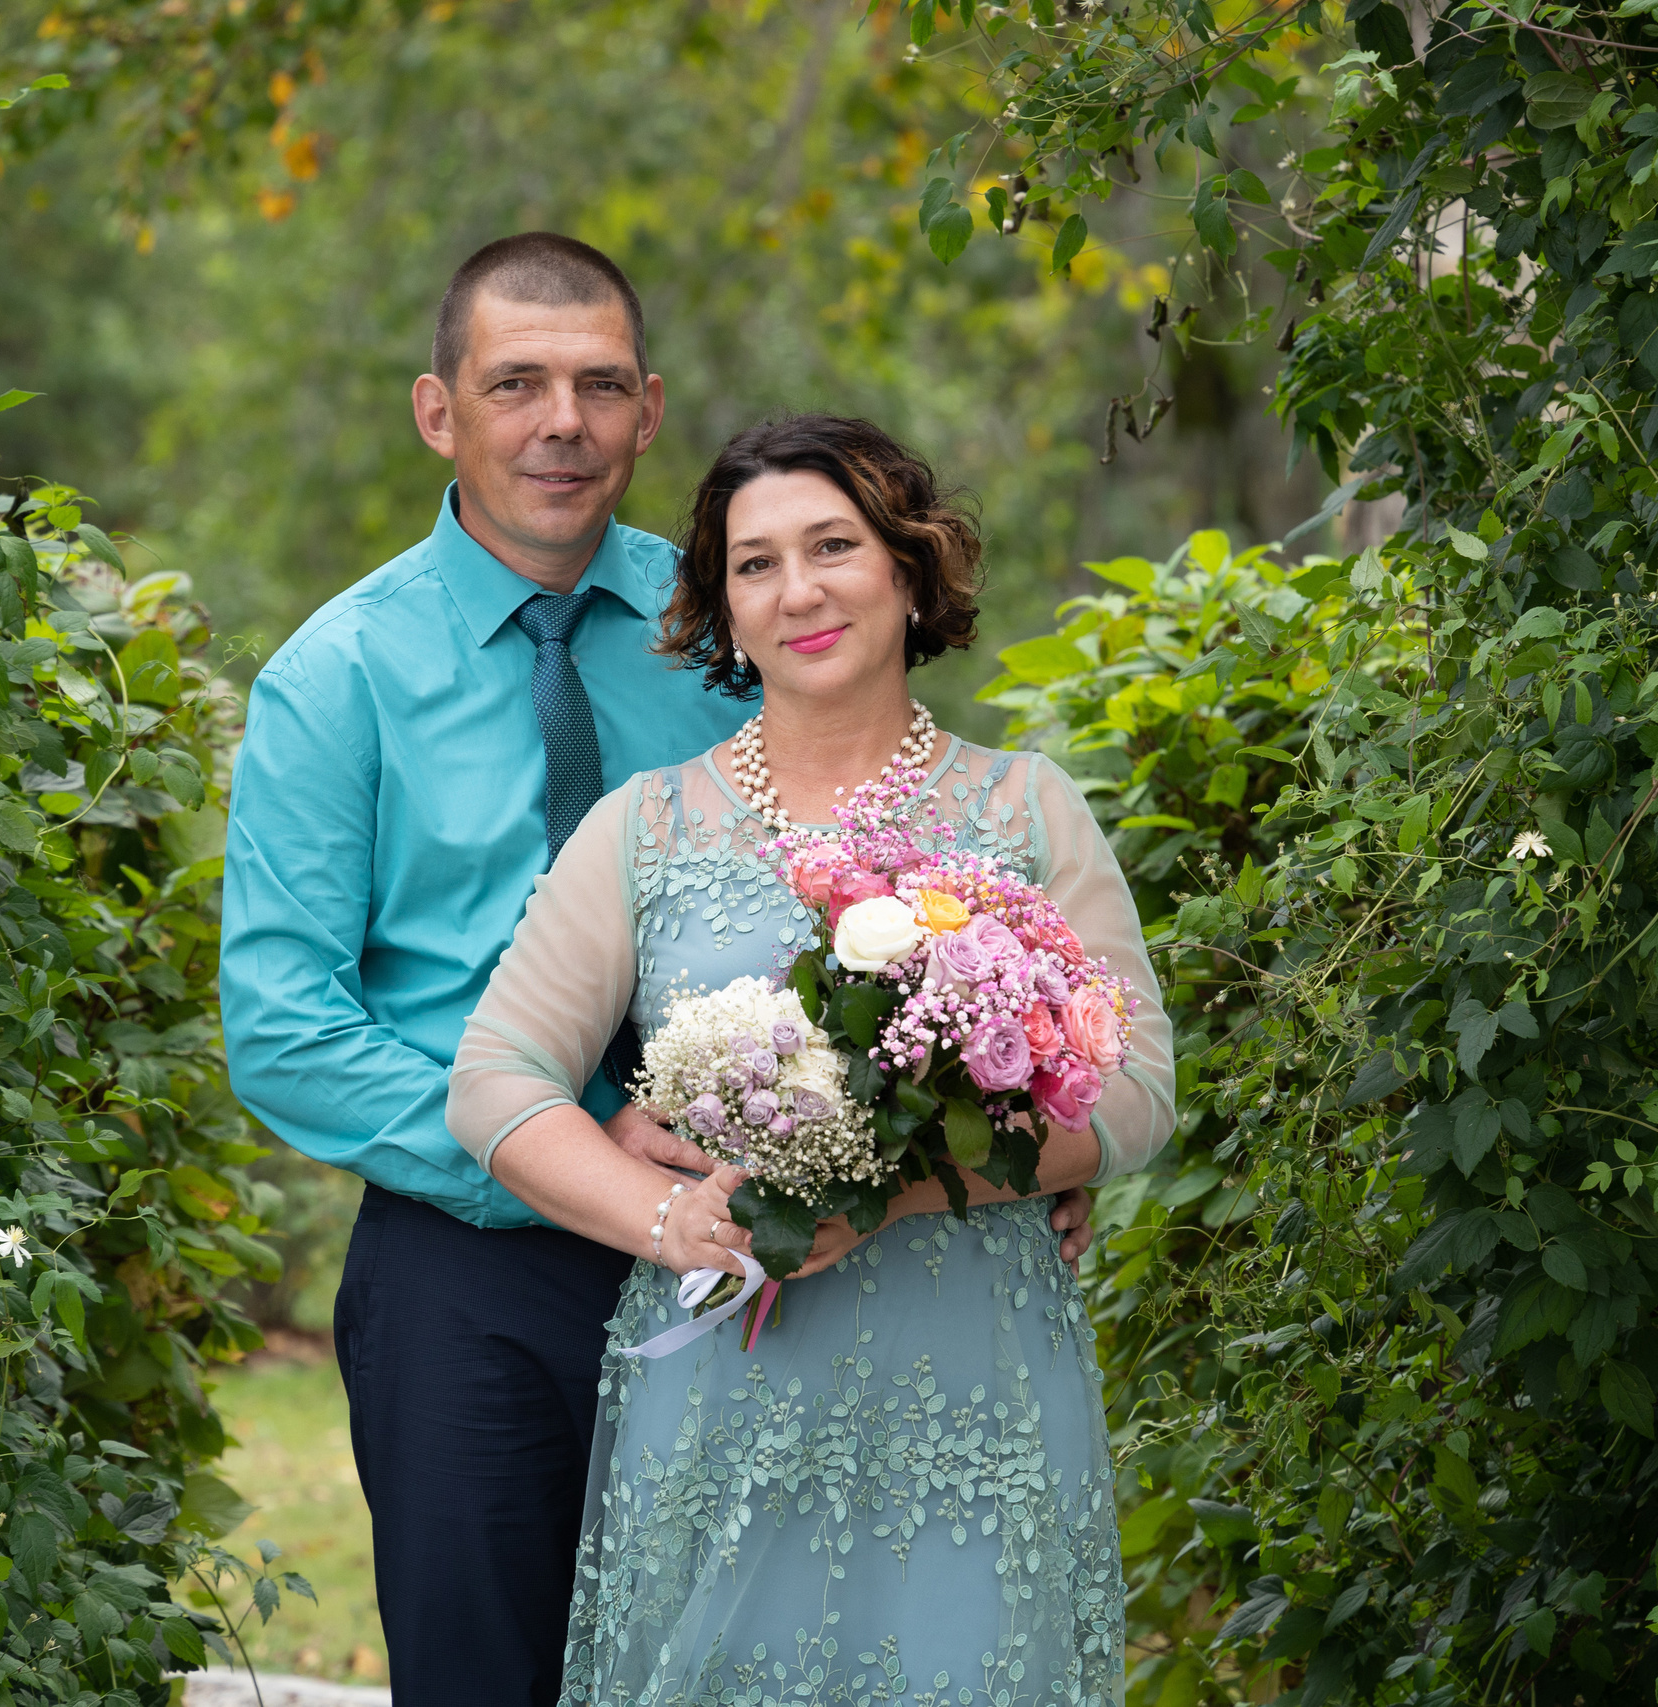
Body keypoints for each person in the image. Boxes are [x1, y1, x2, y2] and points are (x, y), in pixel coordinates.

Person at [220, 239, 1099, 1707]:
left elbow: (888, 856)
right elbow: (287, 1033)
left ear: (650, 410)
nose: (562, 422)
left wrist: (989, 1118)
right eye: (516, 384)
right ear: (439, 412)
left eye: (601, 386)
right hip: (473, 1270)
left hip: (783, 1256)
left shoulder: (735, 621)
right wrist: (578, 1158)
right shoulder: (337, 676)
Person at [446, 414, 1177, 1706]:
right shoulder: (644, 828)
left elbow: (1134, 1088)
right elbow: (496, 1083)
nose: (799, 591)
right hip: (727, 1375)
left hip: (975, 1378)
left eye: (834, 546)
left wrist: (910, 1187)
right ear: (724, 611)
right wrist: (672, 1220)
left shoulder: (1026, 808)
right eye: (755, 564)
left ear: (909, 568)